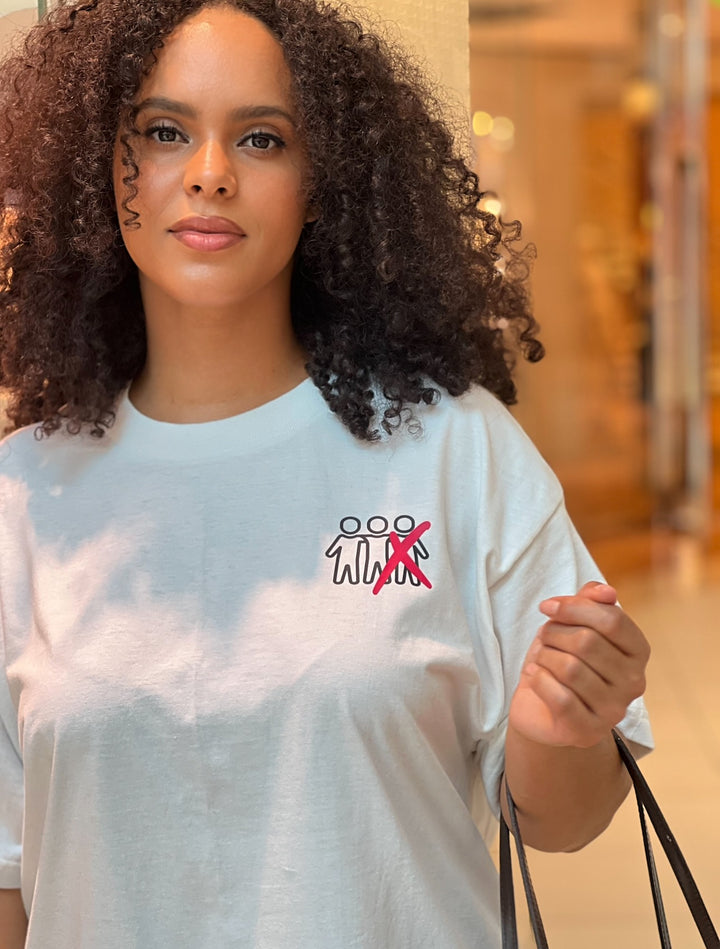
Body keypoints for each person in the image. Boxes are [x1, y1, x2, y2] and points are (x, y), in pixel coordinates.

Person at [0, 0, 653, 946]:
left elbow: (563, 820)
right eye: (165, 131)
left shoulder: (453, 449)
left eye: (262, 138)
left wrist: (567, 727)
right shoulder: (23, 495)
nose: (211, 175)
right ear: (104, 170)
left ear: (321, 184)